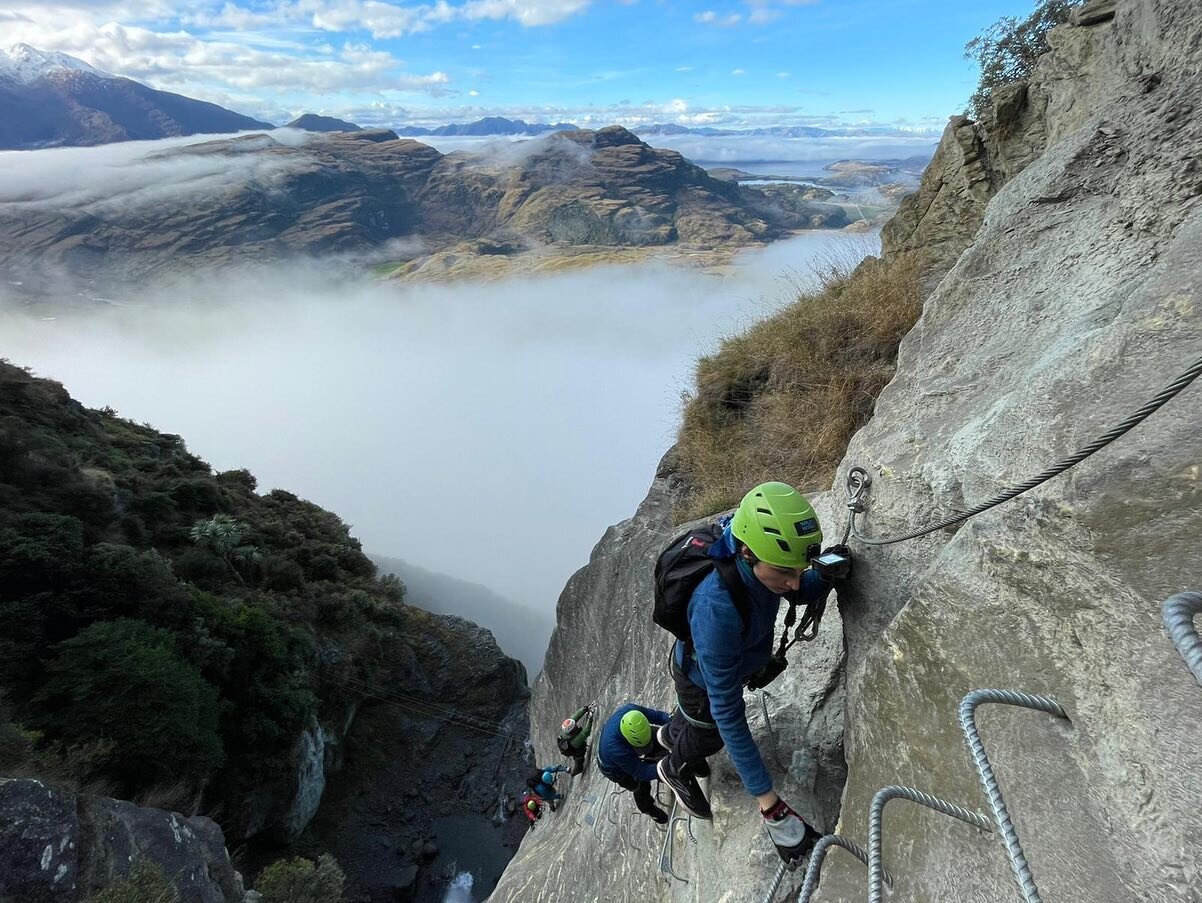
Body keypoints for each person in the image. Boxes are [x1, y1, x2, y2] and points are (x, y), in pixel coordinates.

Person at [656, 481, 841, 864]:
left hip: (706, 664)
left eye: (798, 570)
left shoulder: (758, 562)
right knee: (709, 734)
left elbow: (793, 587)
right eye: (784, 572)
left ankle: (670, 733)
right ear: (746, 552)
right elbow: (727, 709)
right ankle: (672, 766)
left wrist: (821, 577)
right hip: (700, 680)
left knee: (694, 722)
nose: (792, 581)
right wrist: (768, 802)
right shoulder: (716, 607)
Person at [595, 704, 671, 825]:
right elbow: (641, 772)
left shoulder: (633, 713)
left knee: (659, 736)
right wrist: (666, 767)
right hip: (613, 769)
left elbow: (657, 716)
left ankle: (663, 766)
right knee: (638, 785)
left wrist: (673, 720)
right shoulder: (616, 750)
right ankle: (648, 808)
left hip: (622, 741)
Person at [557, 704, 597, 775]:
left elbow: (575, 716)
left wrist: (585, 709)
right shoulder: (574, 741)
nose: (576, 725)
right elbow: (585, 732)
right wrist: (590, 719)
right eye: (575, 726)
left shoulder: (567, 729)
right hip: (576, 750)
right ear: (572, 730)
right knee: (579, 760)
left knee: (577, 756)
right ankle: (574, 772)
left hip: (570, 746)